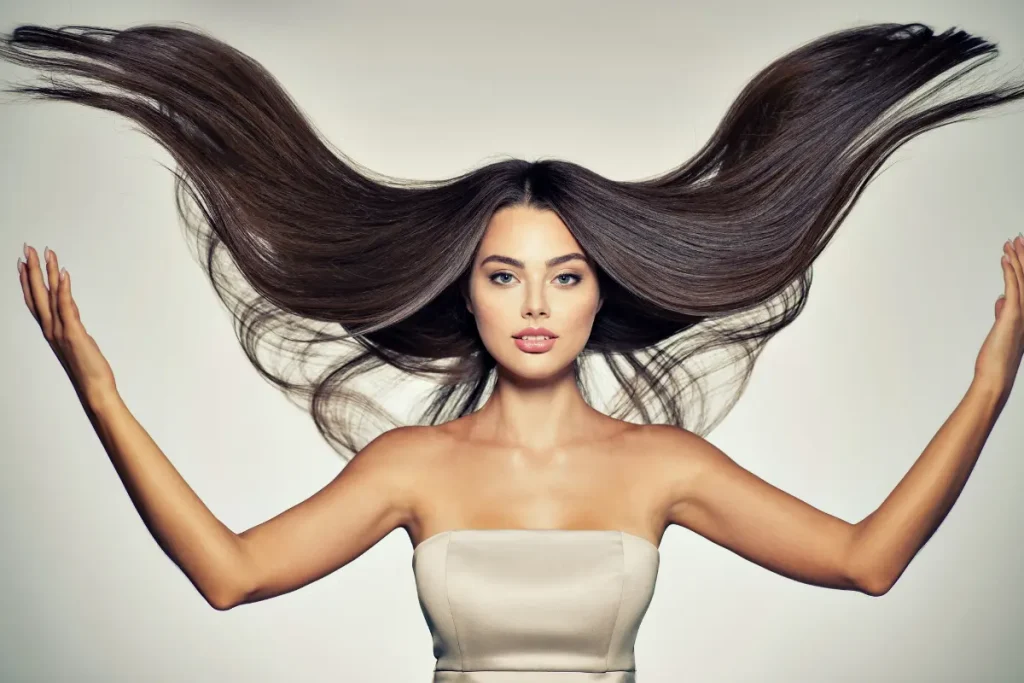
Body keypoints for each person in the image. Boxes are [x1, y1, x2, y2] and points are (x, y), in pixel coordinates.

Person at [6, 20, 1024, 682]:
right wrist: (100, 392)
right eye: (503, 274)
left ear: (599, 292)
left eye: (565, 274)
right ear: (469, 292)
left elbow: (867, 558)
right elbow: (229, 575)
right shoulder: (412, 468)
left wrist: (990, 381)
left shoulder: (660, 465)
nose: (534, 302)